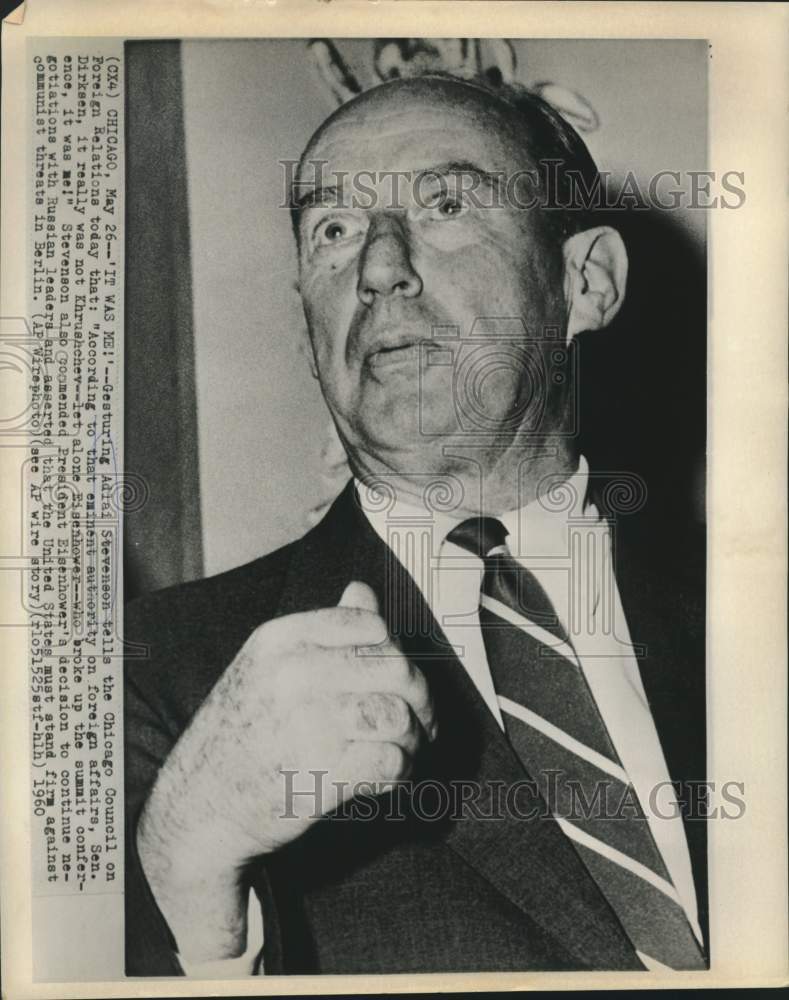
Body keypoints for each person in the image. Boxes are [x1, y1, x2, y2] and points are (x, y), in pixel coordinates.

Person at [124, 73, 707, 976]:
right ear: (306, 325)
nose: (379, 267)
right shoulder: (151, 671)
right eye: (334, 230)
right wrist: (187, 873)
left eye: (444, 204)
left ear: (584, 282)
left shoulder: (747, 610)